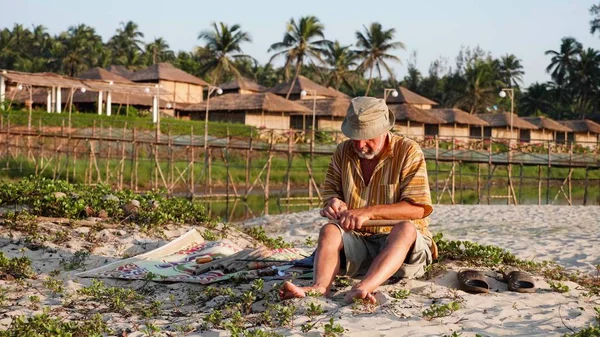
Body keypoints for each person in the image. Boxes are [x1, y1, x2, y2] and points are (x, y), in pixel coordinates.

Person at [280, 96, 436, 304]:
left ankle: (363, 287)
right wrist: (333, 203)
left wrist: (368, 212)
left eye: (368, 137)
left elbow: (417, 209)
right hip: (359, 245)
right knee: (329, 230)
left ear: (384, 130)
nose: (360, 145)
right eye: (355, 137)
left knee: (405, 229)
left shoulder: (408, 151)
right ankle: (320, 288)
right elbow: (331, 193)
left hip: (403, 248)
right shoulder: (343, 152)